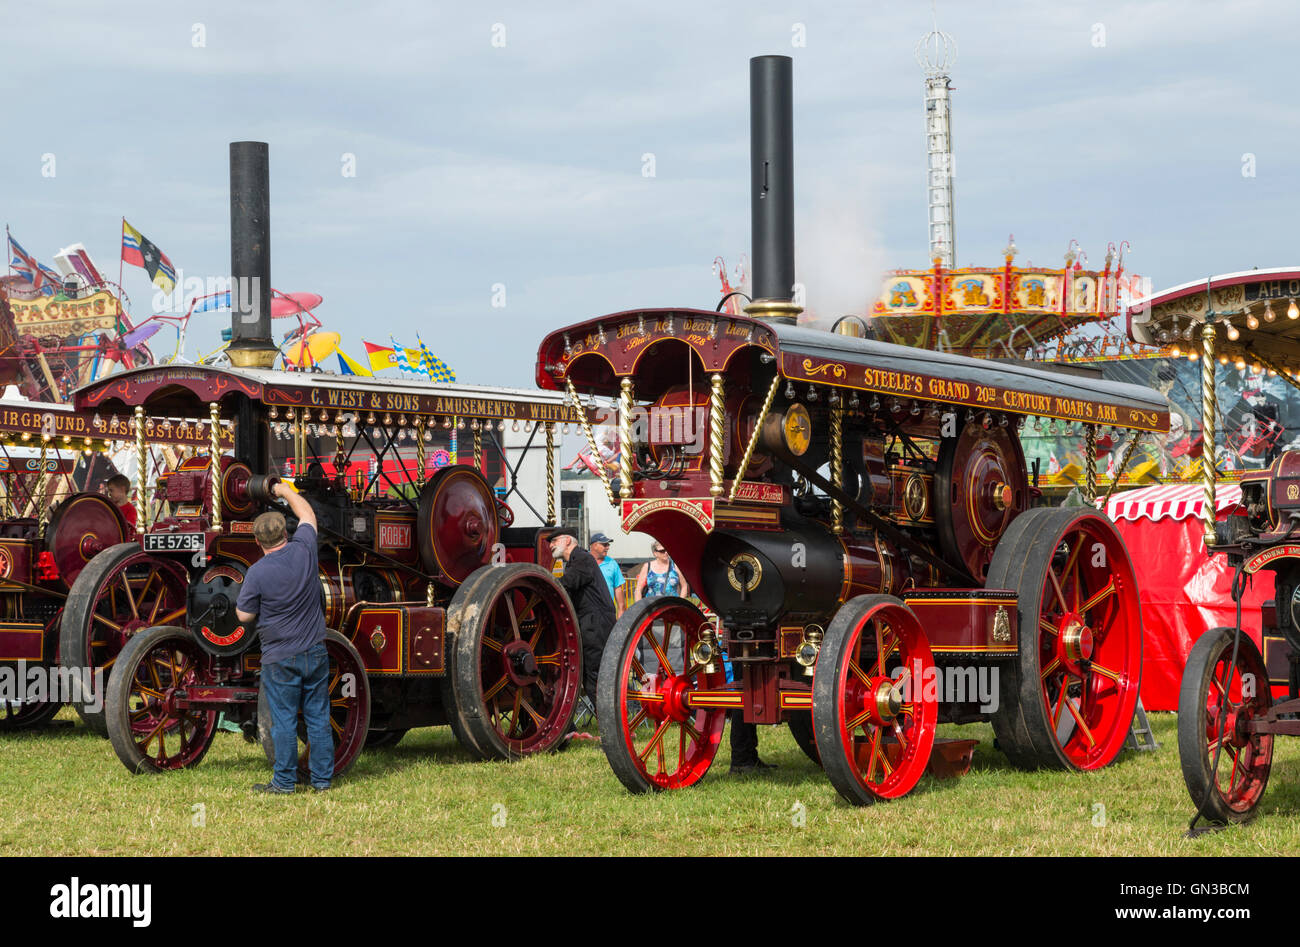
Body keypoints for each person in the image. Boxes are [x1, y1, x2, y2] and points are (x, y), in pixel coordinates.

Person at [236, 482, 333, 794]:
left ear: (256, 541)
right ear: (286, 534)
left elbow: (243, 616)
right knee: (318, 718)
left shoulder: (257, 572)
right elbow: (306, 513)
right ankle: (321, 781)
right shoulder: (304, 548)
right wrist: (283, 489)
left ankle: (284, 783)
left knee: (285, 722)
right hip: (315, 650)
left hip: (280, 658)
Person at [547, 528, 616, 706]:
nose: (551, 546)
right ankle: (606, 720)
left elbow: (568, 583)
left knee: (595, 673)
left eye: (554, 541)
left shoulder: (583, 559)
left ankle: (610, 722)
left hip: (596, 623)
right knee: (588, 674)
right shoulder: (573, 562)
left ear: (568, 541)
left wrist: (545, 584)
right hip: (589, 622)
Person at [589, 532, 624, 618]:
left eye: (608, 545)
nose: (607, 547)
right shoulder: (583, 561)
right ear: (594, 546)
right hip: (588, 614)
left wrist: (621, 611)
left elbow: (618, 588)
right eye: (604, 545)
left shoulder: (612, 563)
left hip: (607, 613)